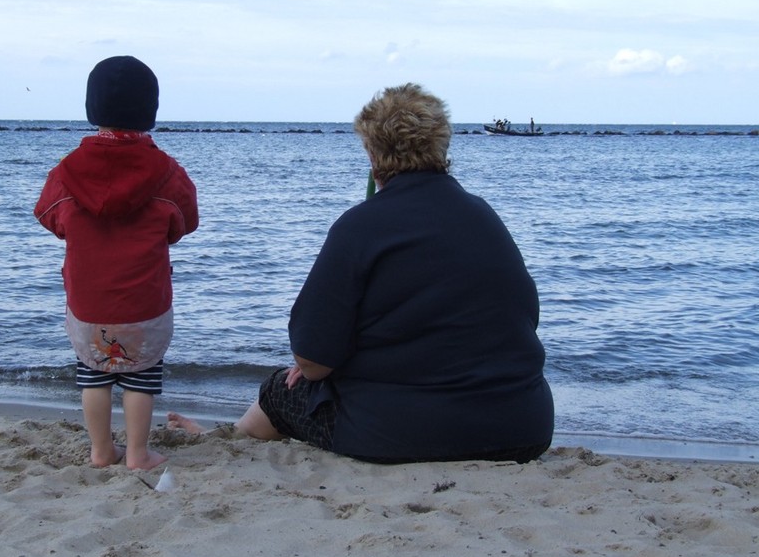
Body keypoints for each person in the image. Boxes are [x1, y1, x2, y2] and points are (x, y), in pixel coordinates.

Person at [170, 83, 553, 463]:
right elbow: (524, 319)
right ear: (442, 146)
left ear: (371, 151)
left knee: (279, 390)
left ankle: (232, 441)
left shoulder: (360, 226)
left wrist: (320, 367)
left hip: (405, 434)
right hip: (523, 427)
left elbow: (312, 359)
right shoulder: (483, 216)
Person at [35, 55, 198, 470]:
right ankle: (138, 454)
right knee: (141, 377)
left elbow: (49, 215)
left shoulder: (68, 171)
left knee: (92, 374)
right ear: (151, 110)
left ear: (92, 108)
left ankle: (102, 451)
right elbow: (186, 220)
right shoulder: (165, 171)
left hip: (88, 302)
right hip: (145, 301)